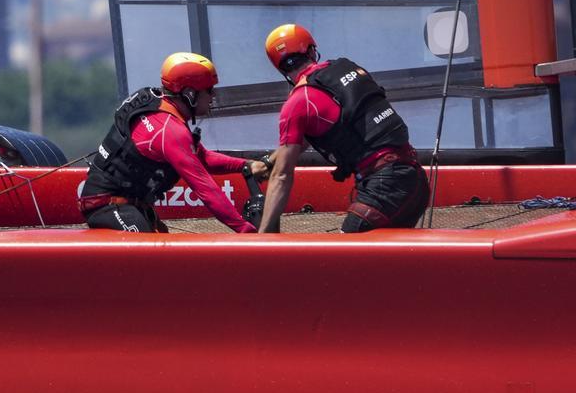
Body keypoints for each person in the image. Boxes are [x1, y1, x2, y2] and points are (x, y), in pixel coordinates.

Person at [258, 23, 429, 233]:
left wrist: (264, 236)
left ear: (279, 67)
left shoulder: (297, 103)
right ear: (312, 51)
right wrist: (269, 162)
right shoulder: (348, 68)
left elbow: (282, 176)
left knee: (340, 262)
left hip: (384, 189)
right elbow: (309, 136)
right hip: (415, 181)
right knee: (383, 263)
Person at [80, 52, 267, 234]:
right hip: (107, 205)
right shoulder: (170, 131)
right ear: (190, 94)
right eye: (209, 90)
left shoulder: (162, 108)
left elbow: (203, 158)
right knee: (150, 254)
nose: (213, 97)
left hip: (128, 203)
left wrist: (246, 165)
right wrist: (246, 231)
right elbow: (207, 190)